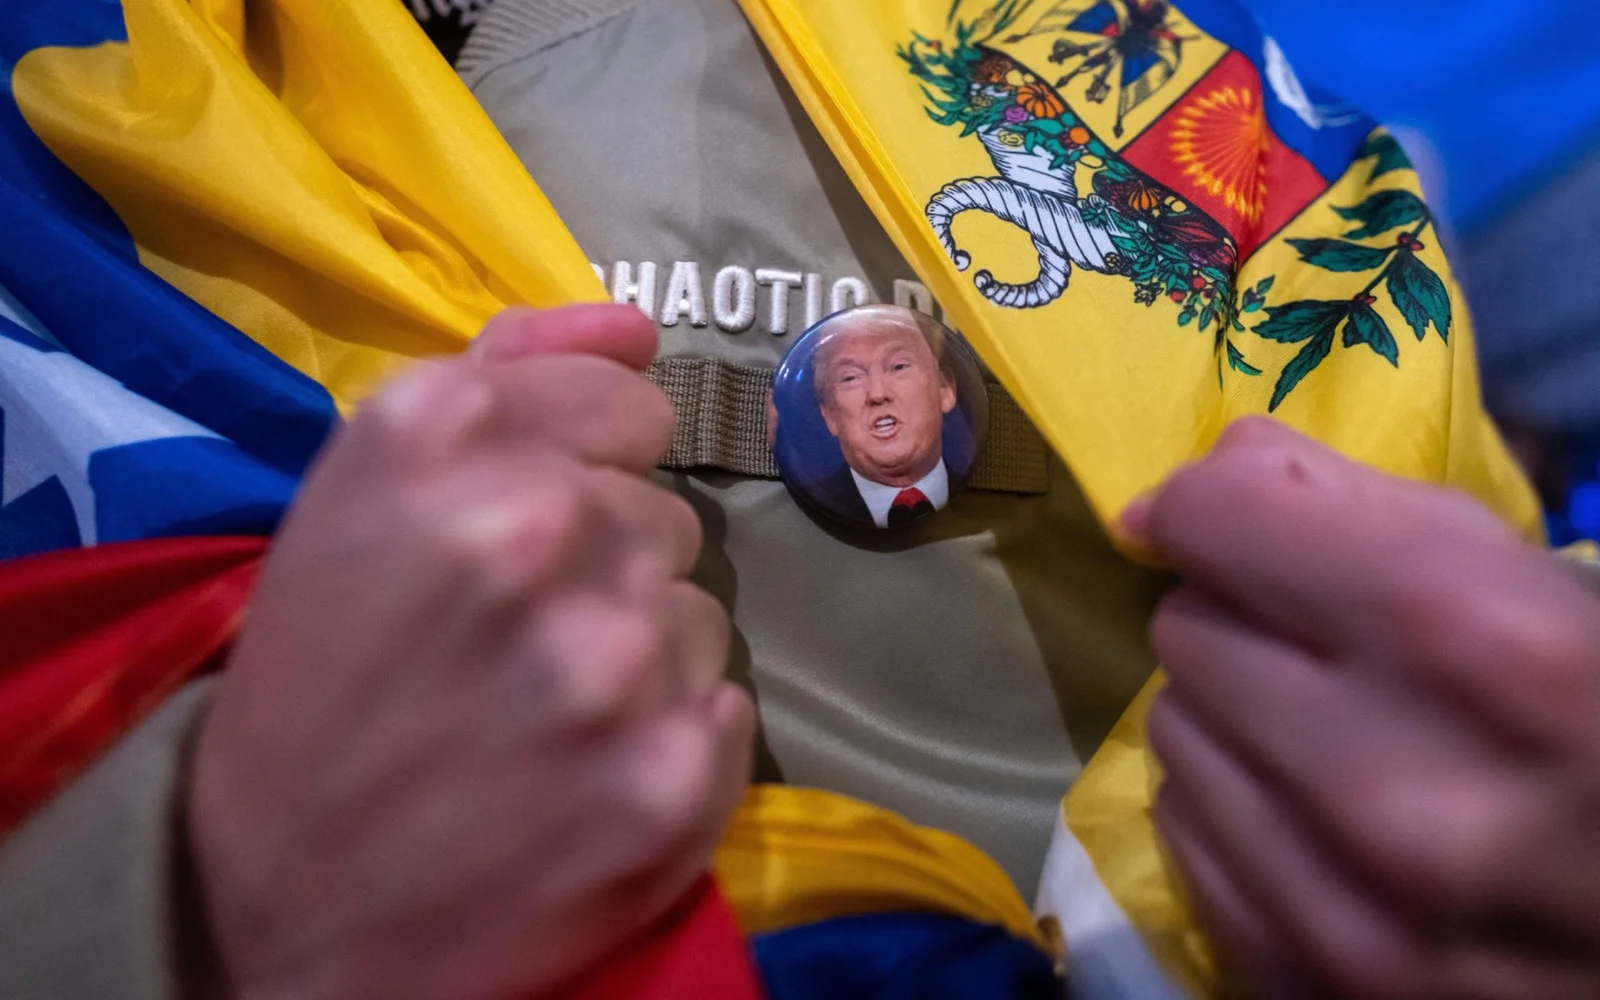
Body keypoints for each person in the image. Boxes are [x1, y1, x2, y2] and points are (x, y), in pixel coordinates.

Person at [811, 311, 959, 527]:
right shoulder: (809, 509)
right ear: (830, 415)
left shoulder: (989, 489)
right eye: (850, 377)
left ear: (944, 389)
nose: (877, 394)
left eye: (898, 366)